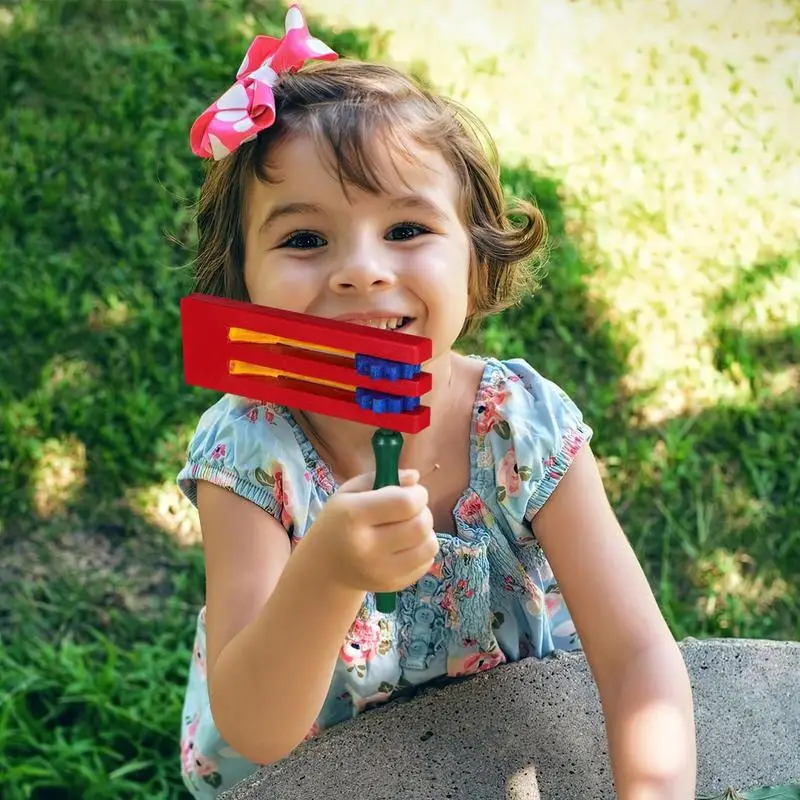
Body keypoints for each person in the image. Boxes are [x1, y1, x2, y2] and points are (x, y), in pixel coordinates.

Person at [176, 5, 696, 798]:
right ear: (241, 278)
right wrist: (325, 575)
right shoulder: (248, 448)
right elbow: (254, 726)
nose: (361, 271)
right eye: (305, 239)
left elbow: (638, 657)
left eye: (408, 229)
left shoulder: (521, 423)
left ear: (476, 264)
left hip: (502, 746)